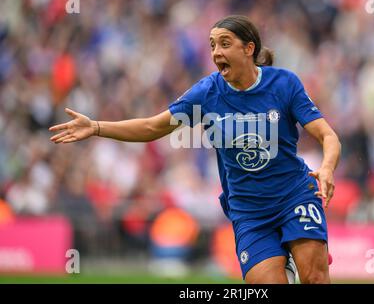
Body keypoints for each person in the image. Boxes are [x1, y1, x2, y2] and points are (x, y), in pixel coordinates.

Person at [49, 15, 341, 284]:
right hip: (250, 212)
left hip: (294, 196)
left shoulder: (284, 83)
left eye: (225, 44)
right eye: (213, 45)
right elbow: (153, 127)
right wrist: (97, 127)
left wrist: (327, 167)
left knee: (315, 278)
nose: (216, 53)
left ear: (249, 48)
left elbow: (328, 136)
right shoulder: (207, 92)